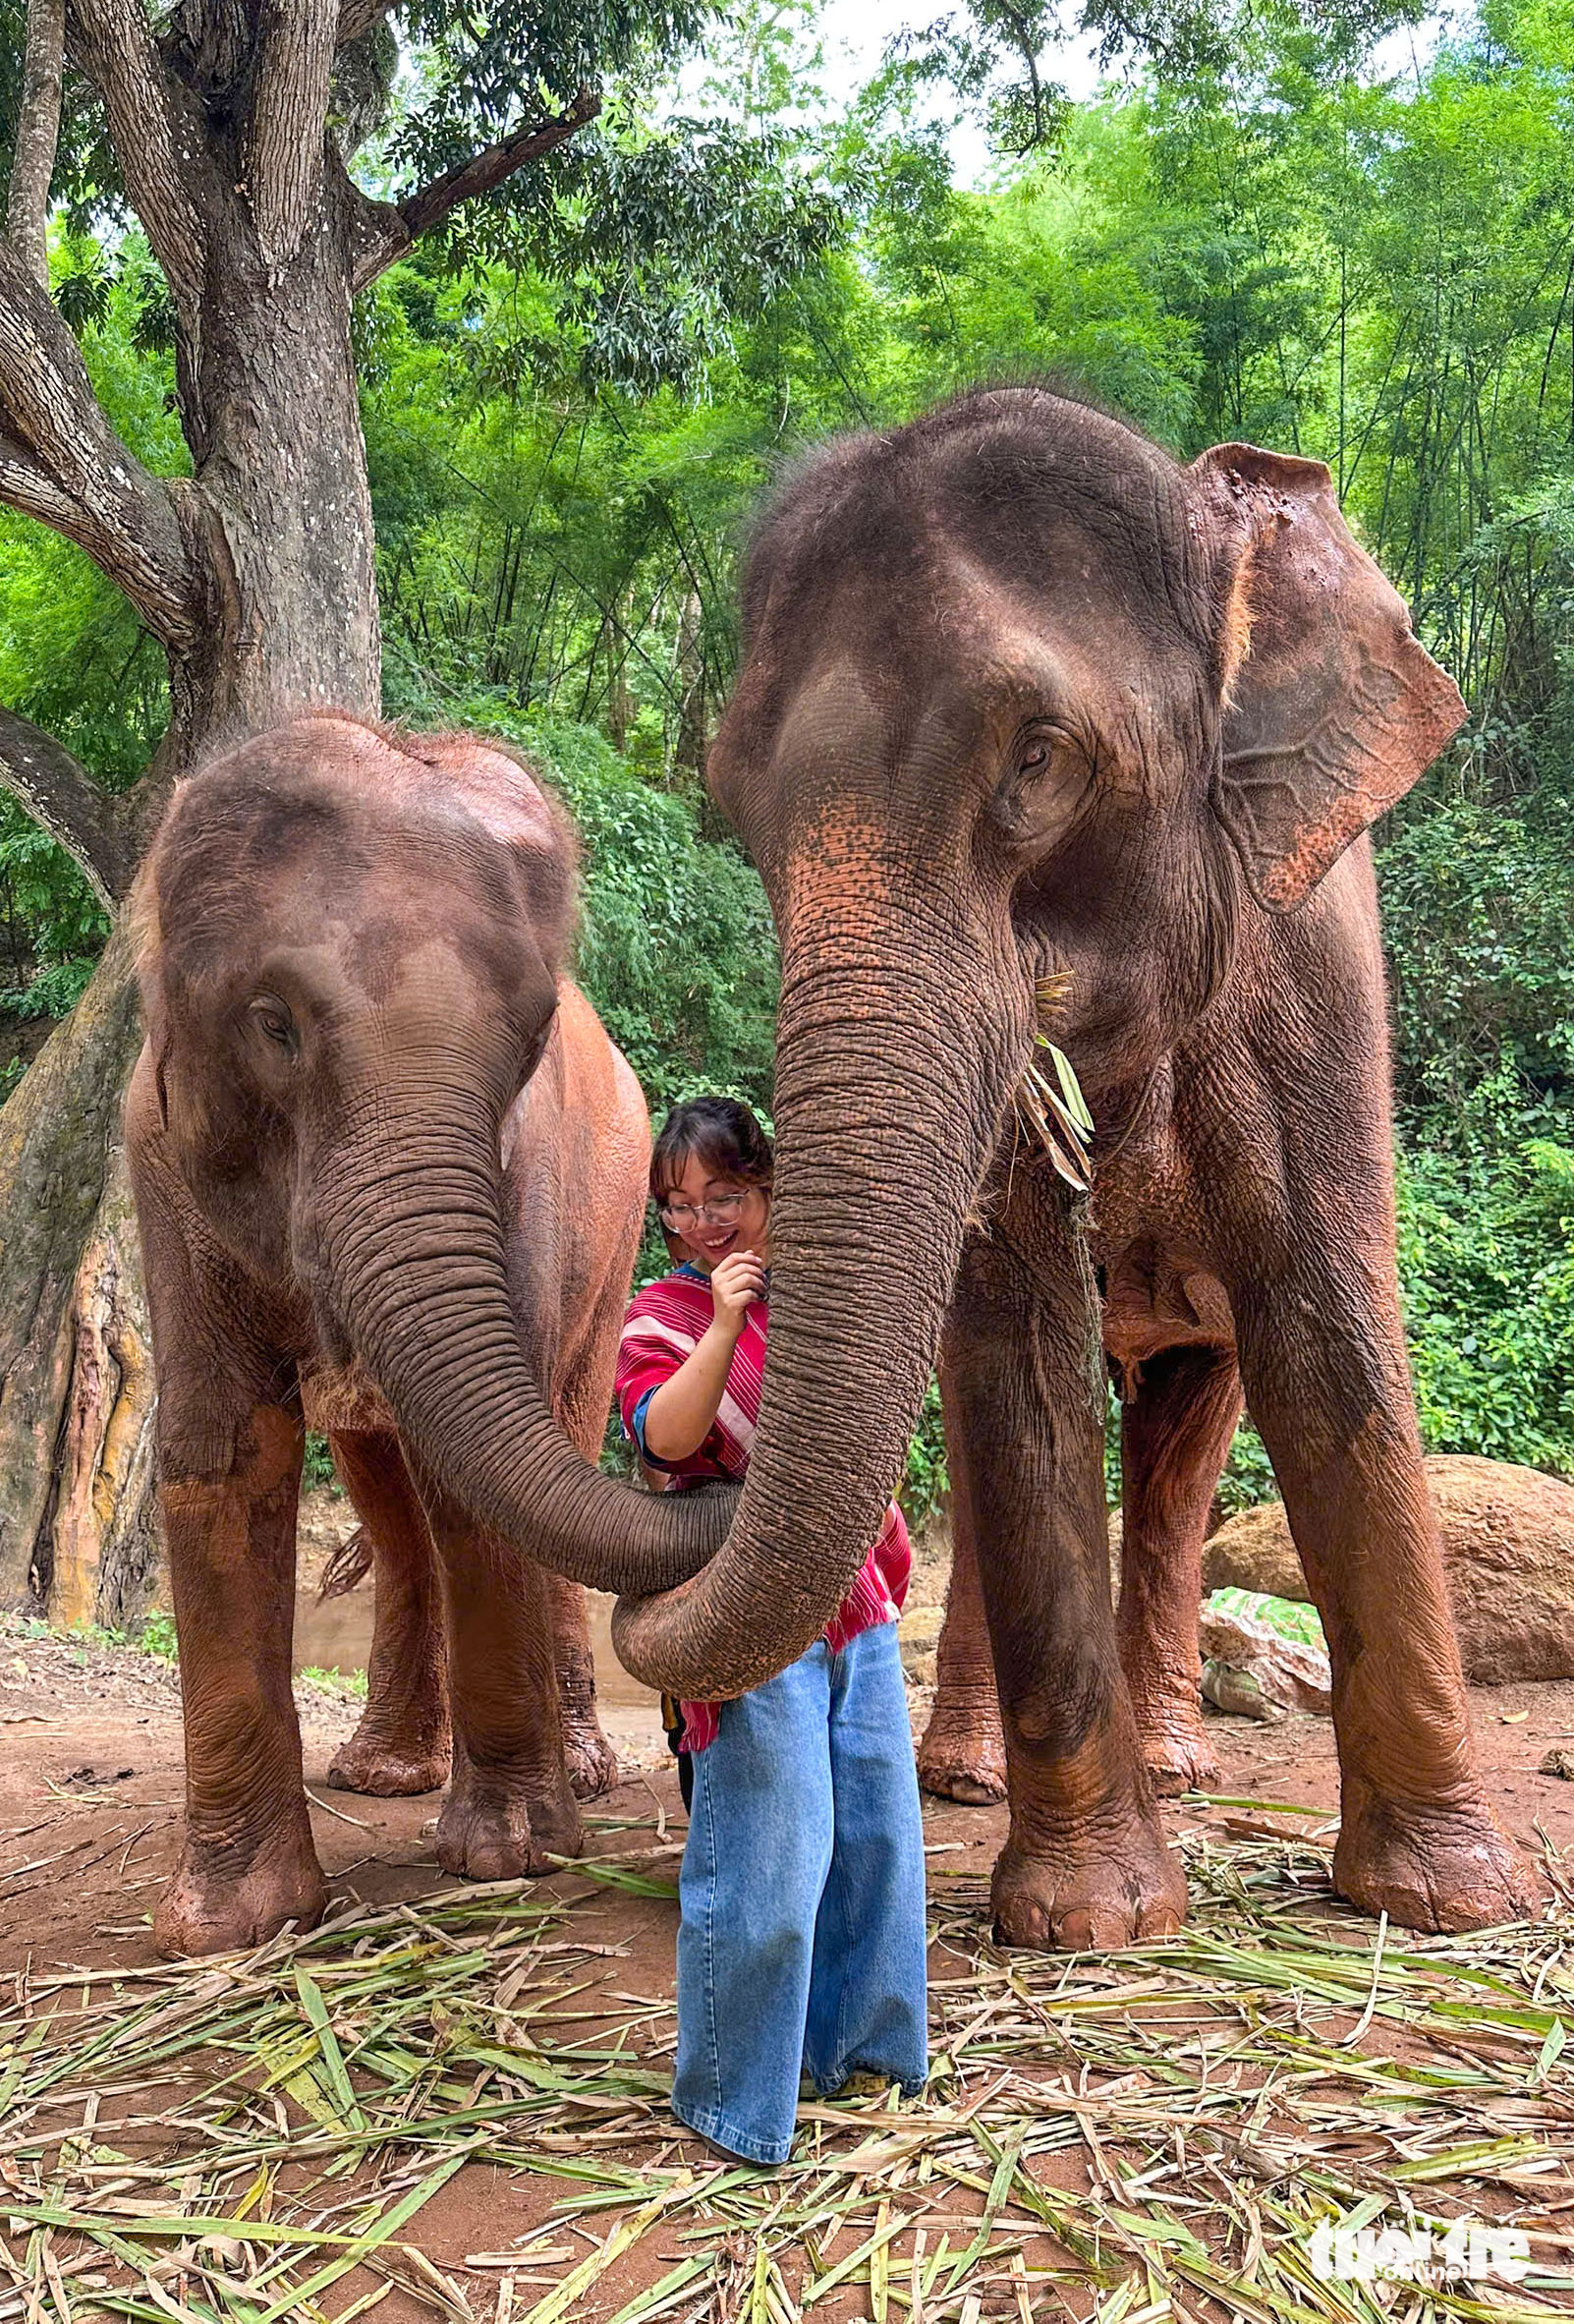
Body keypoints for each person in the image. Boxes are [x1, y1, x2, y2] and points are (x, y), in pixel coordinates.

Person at [615, 1095, 928, 2168]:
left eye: (726, 1197)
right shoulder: (663, 1312)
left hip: (857, 1604)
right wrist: (720, 1325)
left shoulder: (821, 1301)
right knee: (773, 1854)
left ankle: (866, 2059)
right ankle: (735, 2096)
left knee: (877, 1841)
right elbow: (665, 1436)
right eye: (680, 1205)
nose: (703, 1224)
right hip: (751, 1611)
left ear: (769, 1191)